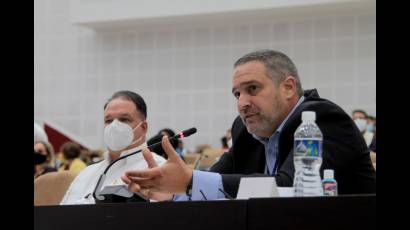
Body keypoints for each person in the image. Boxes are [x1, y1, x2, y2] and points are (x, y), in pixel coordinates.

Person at [121, 50, 376, 200]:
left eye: (252, 89)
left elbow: (289, 189)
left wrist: (189, 181)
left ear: (288, 87)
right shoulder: (245, 129)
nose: (242, 103)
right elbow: (218, 177)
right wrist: (174, 190)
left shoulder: (322, 119)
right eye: (237, 94)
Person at [60, 91, 167, 205]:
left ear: (143, 127)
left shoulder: (160, 169)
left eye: (124, 119)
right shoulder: (86, 173)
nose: (114, 126)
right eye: (108, 121)